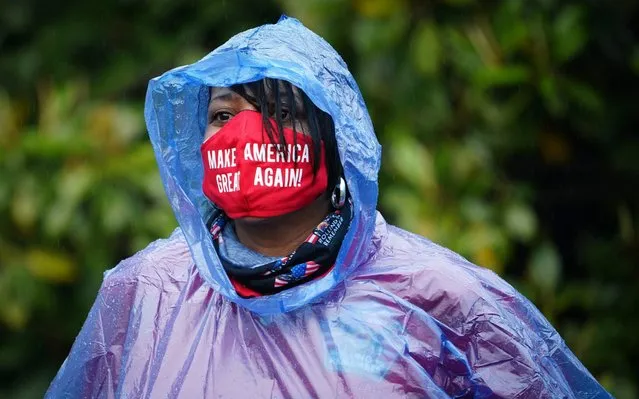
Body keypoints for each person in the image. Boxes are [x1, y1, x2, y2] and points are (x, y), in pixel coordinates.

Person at [46, 16, 611, 398]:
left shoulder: (439, 297)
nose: (245, 135)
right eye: (222, 116)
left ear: (338, 139)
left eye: (281, 113)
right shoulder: (146, 294)